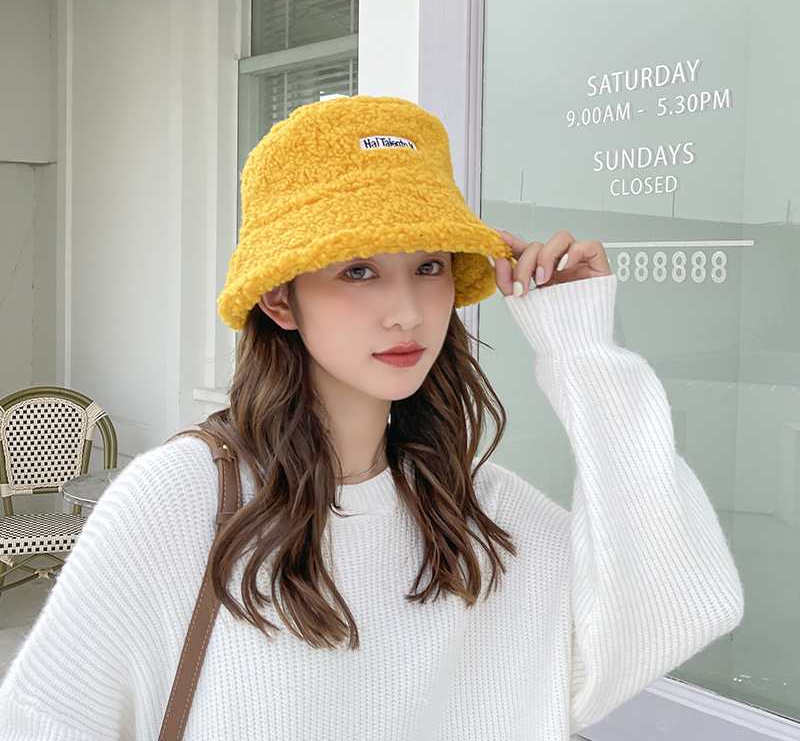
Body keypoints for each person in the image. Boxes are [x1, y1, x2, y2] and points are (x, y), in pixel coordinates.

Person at [0, 96, 742, 740]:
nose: (407, 311)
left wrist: (583, 350)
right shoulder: (180, 500)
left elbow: (675, 609)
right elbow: (47, 721)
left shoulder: (478, 512)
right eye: (358, 270)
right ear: (279, 299)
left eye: (429, 266)